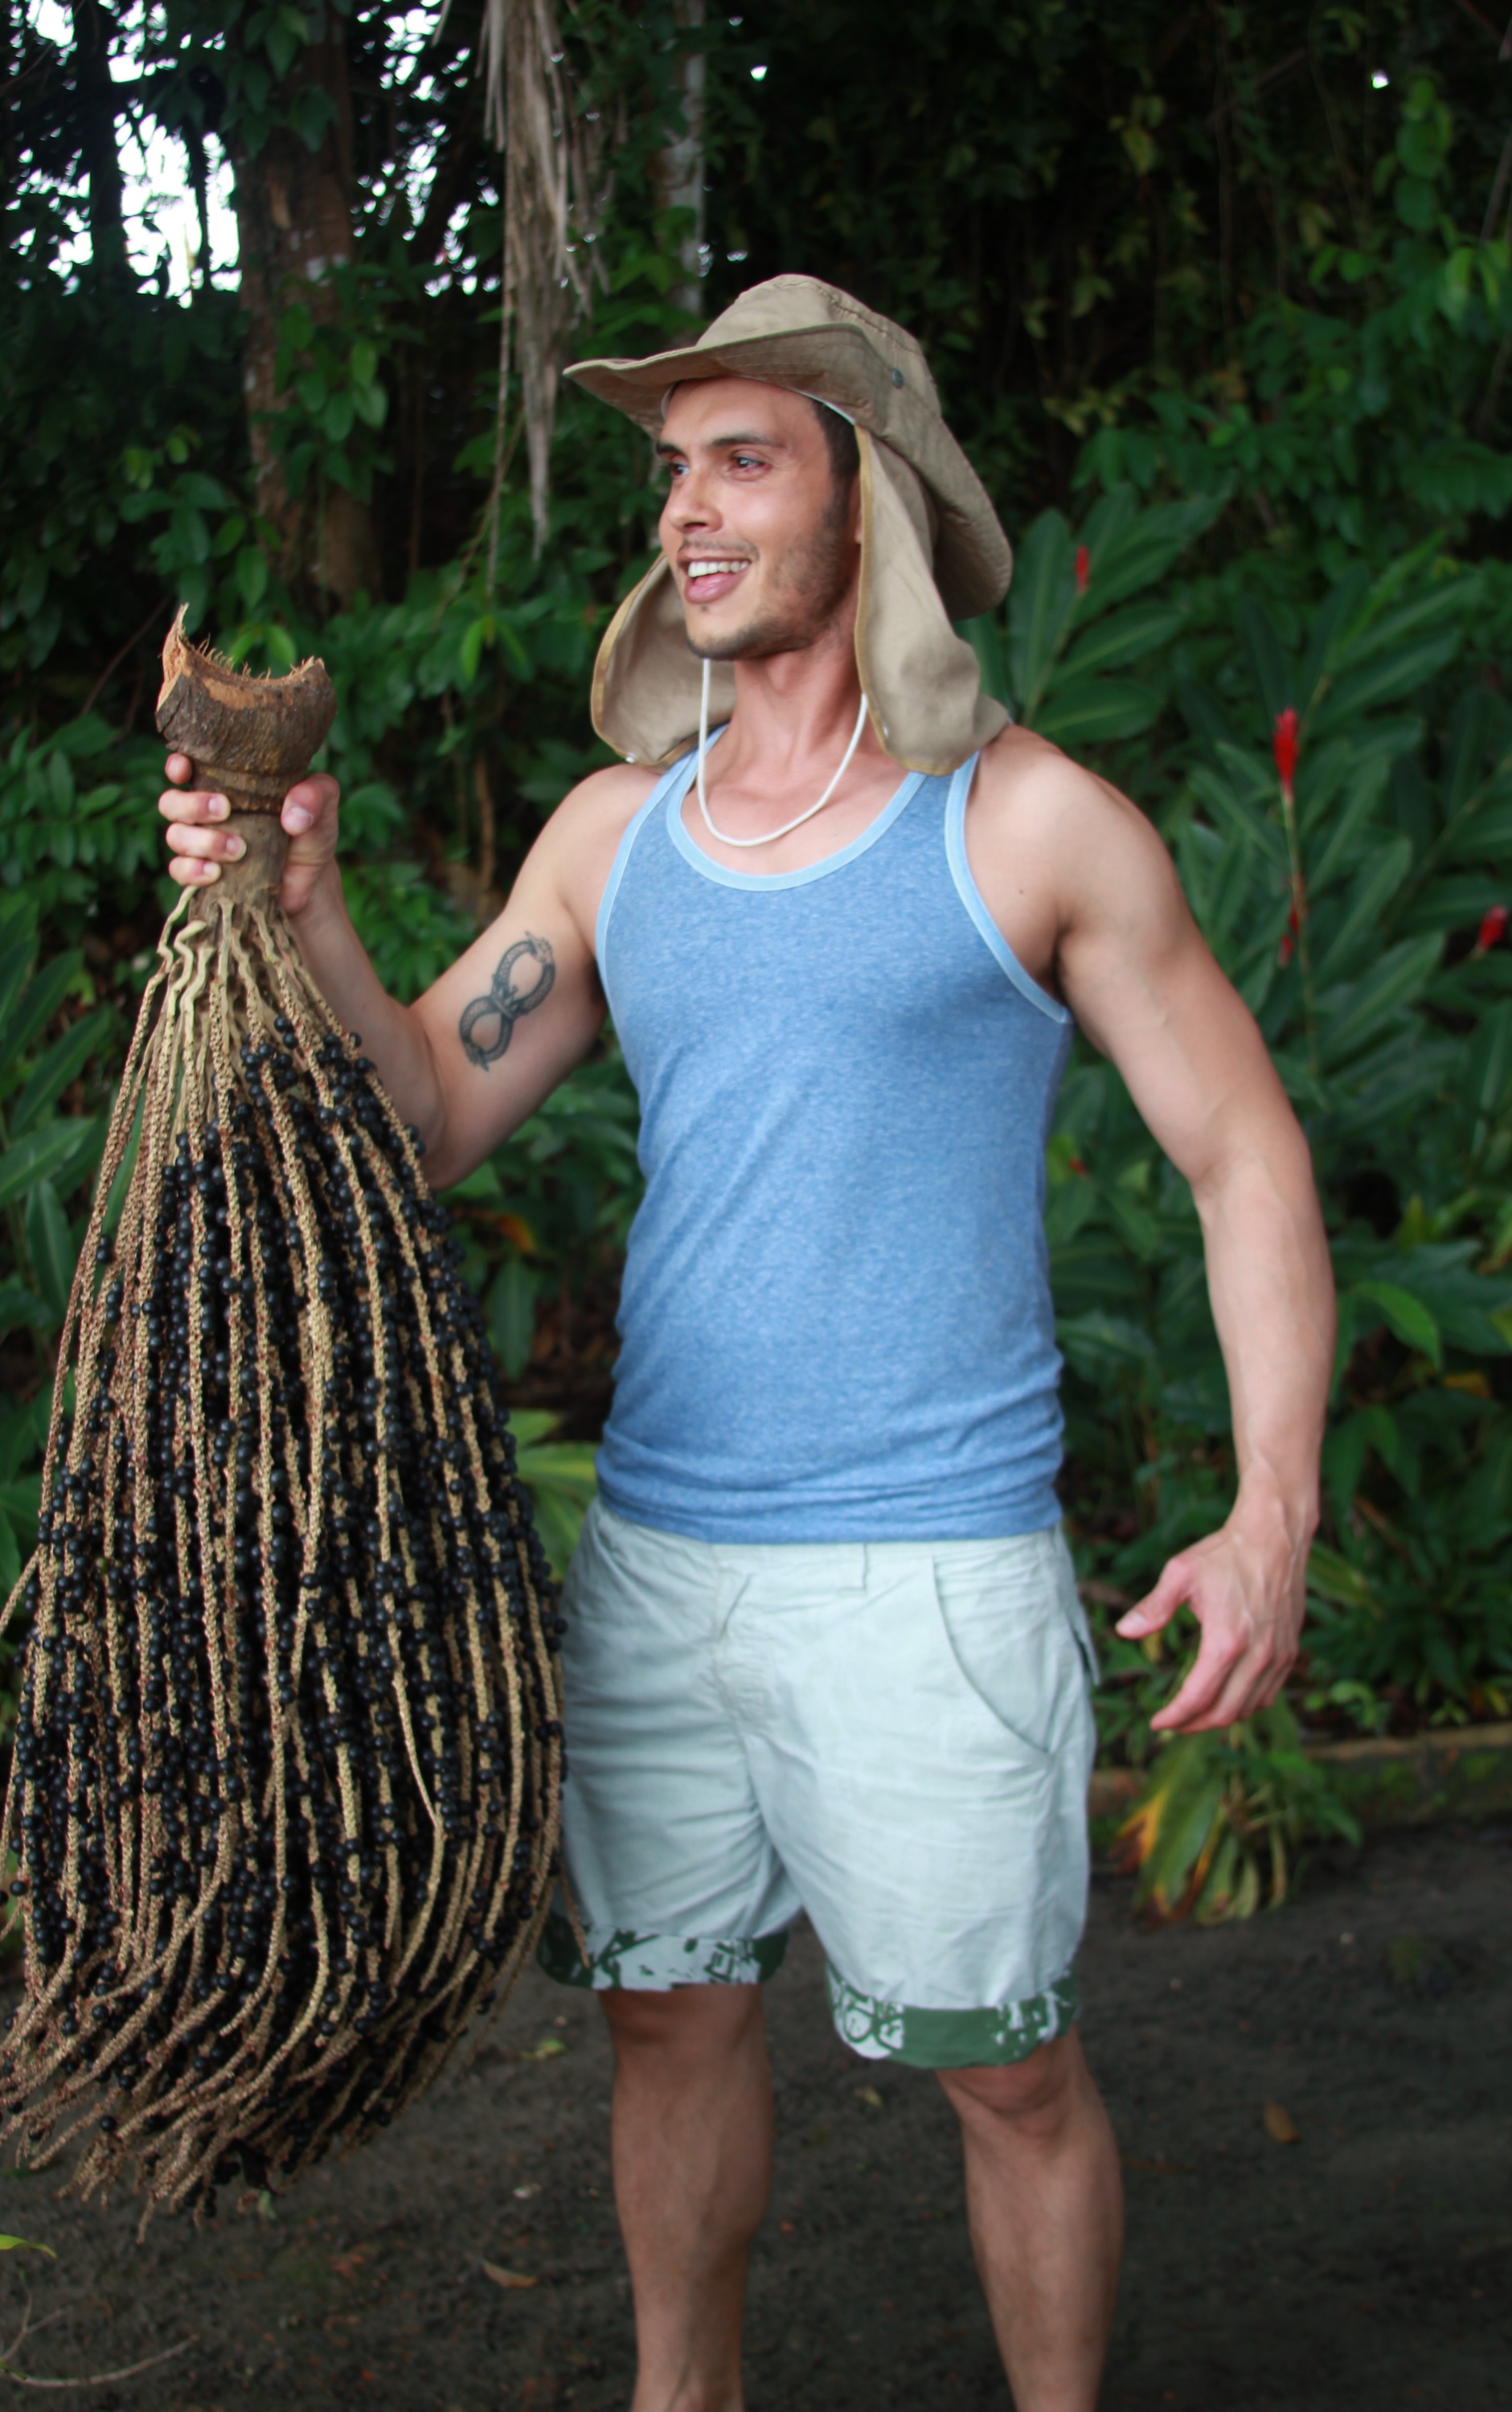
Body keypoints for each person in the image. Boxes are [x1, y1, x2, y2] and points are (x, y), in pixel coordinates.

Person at [161, 277, 1334, 2412]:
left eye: (740, 461)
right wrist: (303, 904)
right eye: (670, 472)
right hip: (664, 1567)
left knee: (1006, 2075)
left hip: (930, 1579)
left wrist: (1273, 1515)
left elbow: (1244, 1155)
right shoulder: (623, 837)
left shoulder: (1024, 824)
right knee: (667, 2022)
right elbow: (424, 1111)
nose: (684, 513)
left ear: (865, 499)